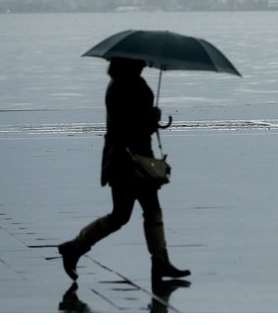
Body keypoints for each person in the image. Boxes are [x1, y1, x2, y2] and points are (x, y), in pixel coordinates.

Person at [58, 57, 190, 283]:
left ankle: (77, 247)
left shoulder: (122, 84)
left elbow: (130, 122)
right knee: (136, 211)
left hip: (124, 159)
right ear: (129, 64)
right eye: (140, 62)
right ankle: (158, 262)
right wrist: (152, 117)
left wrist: (150, 118)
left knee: (129, 213)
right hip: (129, 160)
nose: (145, 64)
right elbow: (130, 125)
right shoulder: (126, 86)